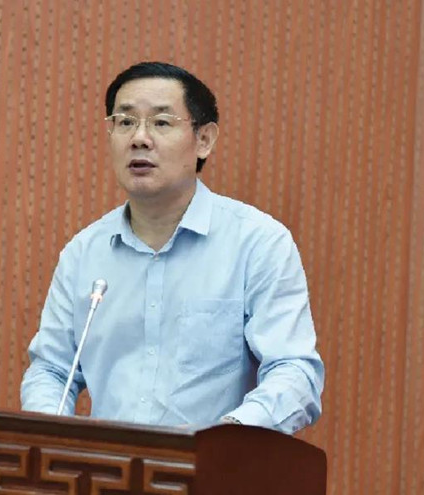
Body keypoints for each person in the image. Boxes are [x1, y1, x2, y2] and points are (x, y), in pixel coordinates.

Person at [20, 61, 324, 434]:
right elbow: (51, 370)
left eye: (161, 123)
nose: (139, 138)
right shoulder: (84, 253)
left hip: (212, 463)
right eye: (125, 122)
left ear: (204, 139)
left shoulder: (257, 243)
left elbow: (294, 370)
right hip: (108, 465)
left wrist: (227, 438)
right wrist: (57, 439)